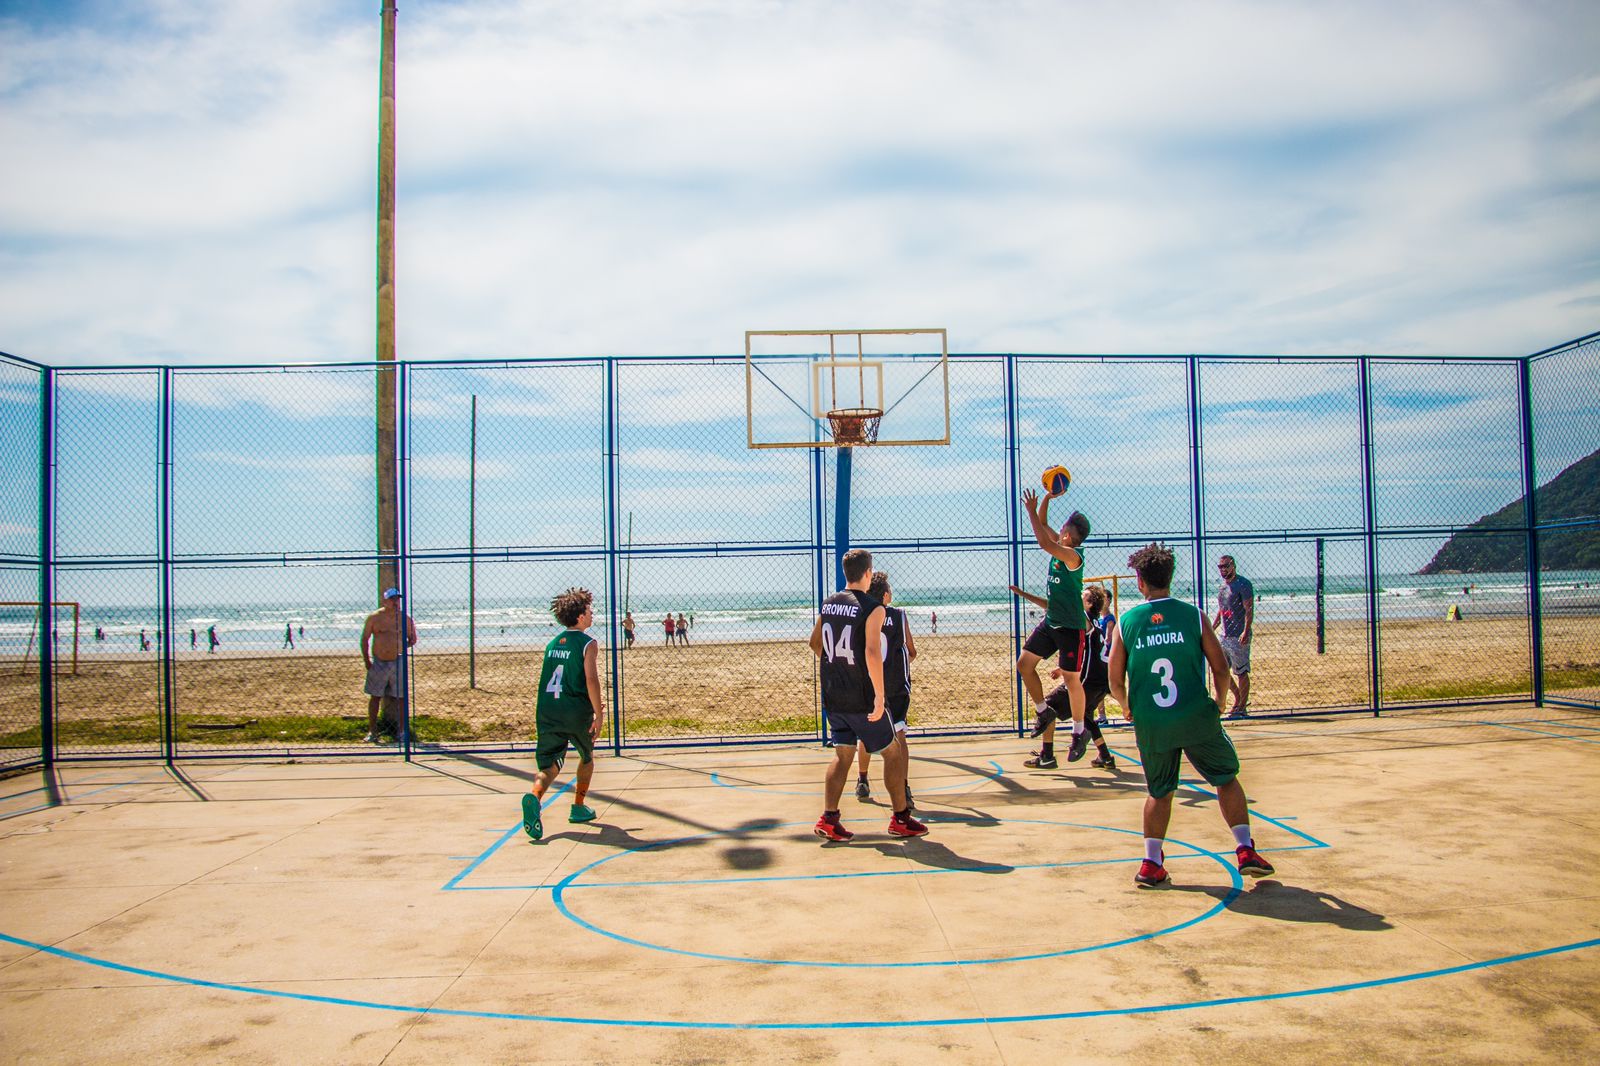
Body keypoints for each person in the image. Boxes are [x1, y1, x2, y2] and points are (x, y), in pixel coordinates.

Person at [1108, 542, 1274, 888]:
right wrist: (1219, 701)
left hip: (1153, 721)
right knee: (1225, 778)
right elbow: (1220, 667)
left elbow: (1114, 678)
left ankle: (1152, 862)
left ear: (1139, 581)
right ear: (1169, 576)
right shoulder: (1193, 615)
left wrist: (1127, 706)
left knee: (1159, 791)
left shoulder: (1127, 622)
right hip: (1195, 715)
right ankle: (1245, 849)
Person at [812, 548, 927, 842]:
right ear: (867, 573)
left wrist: (838, 662)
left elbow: (815, 644)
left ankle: (829, 818)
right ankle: (900, 818)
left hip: (833, 694)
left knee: (842, 755)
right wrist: (878, 697)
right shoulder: (872, 608)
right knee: (892, 751)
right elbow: (873, 652)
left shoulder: (829, 604)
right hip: (861, 696)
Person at [1014, 486, 1093, 763]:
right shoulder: (1062, 547)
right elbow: (1045, 526)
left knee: (1072, 679)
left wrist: (1030, 511)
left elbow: (1045, 542)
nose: (1057, 531)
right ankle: (1042, 711)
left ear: (1068, 536)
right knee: (1024, 664)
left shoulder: (1073, 557)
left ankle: (1079, 732)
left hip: (1071, 627)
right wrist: (1047, 497)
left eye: (1062, 531)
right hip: (1052, 623)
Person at [522, 587, 606, 841]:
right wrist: (598, 712)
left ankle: (535, 796)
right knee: (587, 756)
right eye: (590, 611)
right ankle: (579, 806)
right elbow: (591, 679)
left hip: (548, 711)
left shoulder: (552, 644)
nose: (592, 615)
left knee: (550, 764)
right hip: (575, 711)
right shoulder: (588, 643)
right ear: (580, 616)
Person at [1016, 584, 1118, 770]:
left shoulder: (1082, 618)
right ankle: (1105, 756)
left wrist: (1024, 594)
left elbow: (1052, 607)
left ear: (1088, 604)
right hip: (1101, 682)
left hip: (1088, 682)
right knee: (1084, 713)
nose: (1078, 597)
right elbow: (1087, 654)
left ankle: (1047, 756)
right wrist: (1062, 669)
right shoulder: (1094, 623)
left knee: (1049, 708)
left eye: (1083, 595)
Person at [854, 571, 917, 807]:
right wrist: (901, 661)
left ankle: (862, 780)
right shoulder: (899, 616)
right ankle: (904, 786)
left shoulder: (864, 616)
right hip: (896, 685)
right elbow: (911, 650)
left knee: (866, 734)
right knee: (899, 734)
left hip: (871, 685)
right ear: (886, 595)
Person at [360, 588, 417, 743]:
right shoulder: (375, 618)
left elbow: (412, 638)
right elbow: (364, 639)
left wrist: (399, 645)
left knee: (401, 697)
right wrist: (367, 660)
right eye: (392, 599)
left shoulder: (404, 618)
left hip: (398, 661)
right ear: (385, 601)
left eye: (397, 599)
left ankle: (402, 731)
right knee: (375, 696)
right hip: (379, 662)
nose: (395, 602)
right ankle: (372, 731)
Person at [1211, 555, 1255, 718]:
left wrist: (1246, 630)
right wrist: (1212, 626)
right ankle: (1237, 698)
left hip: (1238, 636)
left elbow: (1249, 609)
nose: (1223, 569)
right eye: (1220, 567)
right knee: (1220, 669)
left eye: (1226, 566)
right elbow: (1222, 609)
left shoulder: (1243, 584)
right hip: (1224, 635)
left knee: (1241, 671)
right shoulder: (1223, 587)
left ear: (1233, 566)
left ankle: (1242, 707)